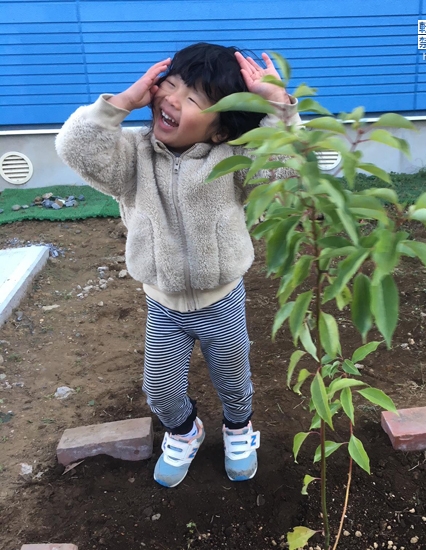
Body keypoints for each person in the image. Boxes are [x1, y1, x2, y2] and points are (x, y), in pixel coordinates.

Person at [56, 42, 301, 488]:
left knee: (233, 378)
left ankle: (239, 428)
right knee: (160, 389)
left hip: (221, 299)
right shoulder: (132, 159)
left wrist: (279, 109)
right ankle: (185, 431)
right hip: (163, 304)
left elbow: (284, 172)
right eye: (168, 85)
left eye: (192, 99)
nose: (171, 99)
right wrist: (120, 104)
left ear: (220, 131)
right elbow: (77, 149)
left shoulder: (234, 162)